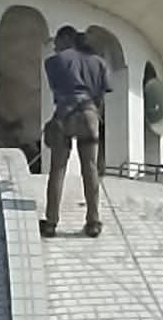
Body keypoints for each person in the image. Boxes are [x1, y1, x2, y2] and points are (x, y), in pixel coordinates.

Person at [40, 27, 111, 238]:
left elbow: (57, 89)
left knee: (58, 169)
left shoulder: (53, 61)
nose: (54, 46)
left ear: (66, 38)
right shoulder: (100, 63)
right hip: (89, 114)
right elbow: (101, 94)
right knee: (90, 168)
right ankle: (93, 221)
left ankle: (51, 222)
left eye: (57, 42)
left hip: (64, 114)